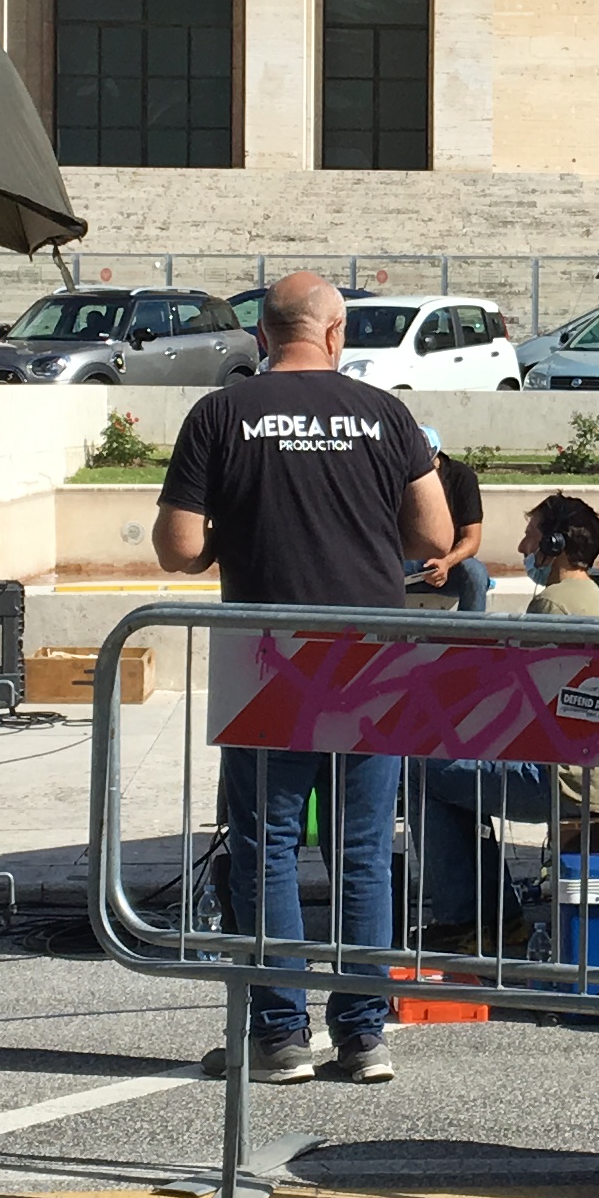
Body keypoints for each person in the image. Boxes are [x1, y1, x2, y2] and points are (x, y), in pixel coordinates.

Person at [153, 274, 453, 1084]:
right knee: (362, 849)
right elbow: (436, 532)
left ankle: (280, 1034)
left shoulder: (220, 413)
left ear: (261, 334)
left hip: (267, 658)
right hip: (372, 653)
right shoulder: (385, 412)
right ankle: (363, 1034)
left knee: (268, 849)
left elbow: (178, 547)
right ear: (335, 333)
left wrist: (228, 537)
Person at [415, 492, 599, 933]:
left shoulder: (552, 604)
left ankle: (469, 917)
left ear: (553, 546)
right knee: (459, 772)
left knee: (423, 771)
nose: (520, 548)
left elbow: (511, 703)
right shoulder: (592, 599)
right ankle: (491, 909)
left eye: (529, 537)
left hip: (567, 784)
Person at [412, 429, 489, 610]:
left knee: (475, 573)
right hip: (404, 561)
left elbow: (472, 539)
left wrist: (446, 562)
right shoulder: (395, 475)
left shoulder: (461, 477)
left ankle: (470, 636)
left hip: (449, 561)